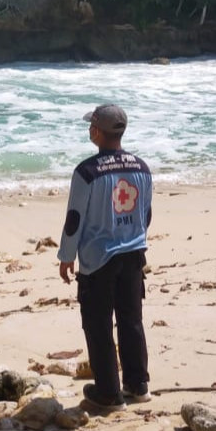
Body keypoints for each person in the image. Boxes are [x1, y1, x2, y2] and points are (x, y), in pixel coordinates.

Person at [57, 104, 153, 412]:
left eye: (91, 126)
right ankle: (138, 385)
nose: (89, 130)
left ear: (98, 132)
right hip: (134, 253)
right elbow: (145, 214)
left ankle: (109, 393)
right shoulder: (142, 167)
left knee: (98, 325)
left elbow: (75, 219)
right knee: (131, 320)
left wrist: (66, 256)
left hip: (99, 259)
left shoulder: (86, 172)